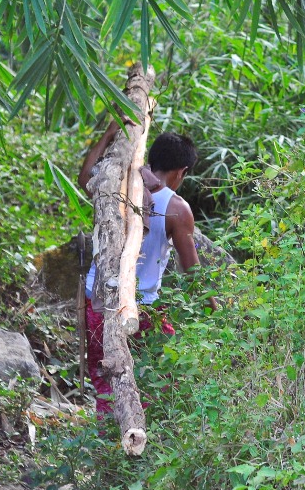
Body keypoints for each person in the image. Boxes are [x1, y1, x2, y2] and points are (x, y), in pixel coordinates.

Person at [78, 121, 210, 416]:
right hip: (142, 310)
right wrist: (216, 310)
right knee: (160, 379)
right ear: (180, 172)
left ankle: (107, 443)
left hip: (97, 300)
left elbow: (85, 177)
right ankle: (140, 441)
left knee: (105, 382)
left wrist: (109, 134)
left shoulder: (117, 184)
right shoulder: (177, 209)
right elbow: (193, 274)